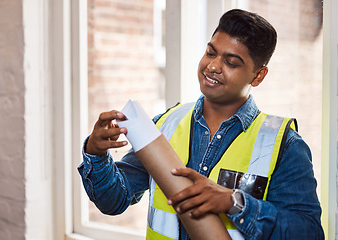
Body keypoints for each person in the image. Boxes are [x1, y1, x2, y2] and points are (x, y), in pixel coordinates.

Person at [78, 9, 324, 239]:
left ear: (257, 76)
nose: (213, 66)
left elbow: (307, 232)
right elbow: (114, 201)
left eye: (231, 62)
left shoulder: (284, 145)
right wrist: (96, 154)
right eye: (211, 52)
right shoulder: (164, 125)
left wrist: (234, 202)